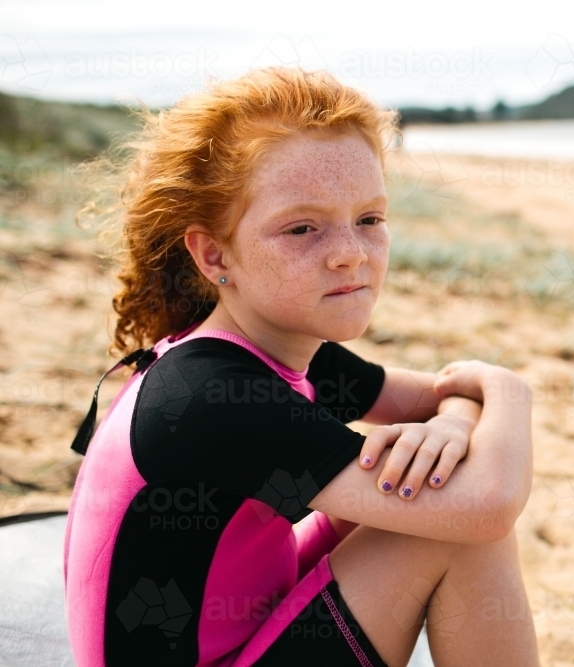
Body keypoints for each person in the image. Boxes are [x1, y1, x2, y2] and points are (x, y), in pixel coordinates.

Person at [63, 66, 539, 667]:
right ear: (214, 254)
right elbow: (489, 503)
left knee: (443, 506)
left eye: (369, 219)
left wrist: (445, 425)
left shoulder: (280, 343)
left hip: (242, 636)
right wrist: (508, 388)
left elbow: (439, 395)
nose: (349, 254)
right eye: (301, 228)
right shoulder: (210, 396)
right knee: (462, 529)